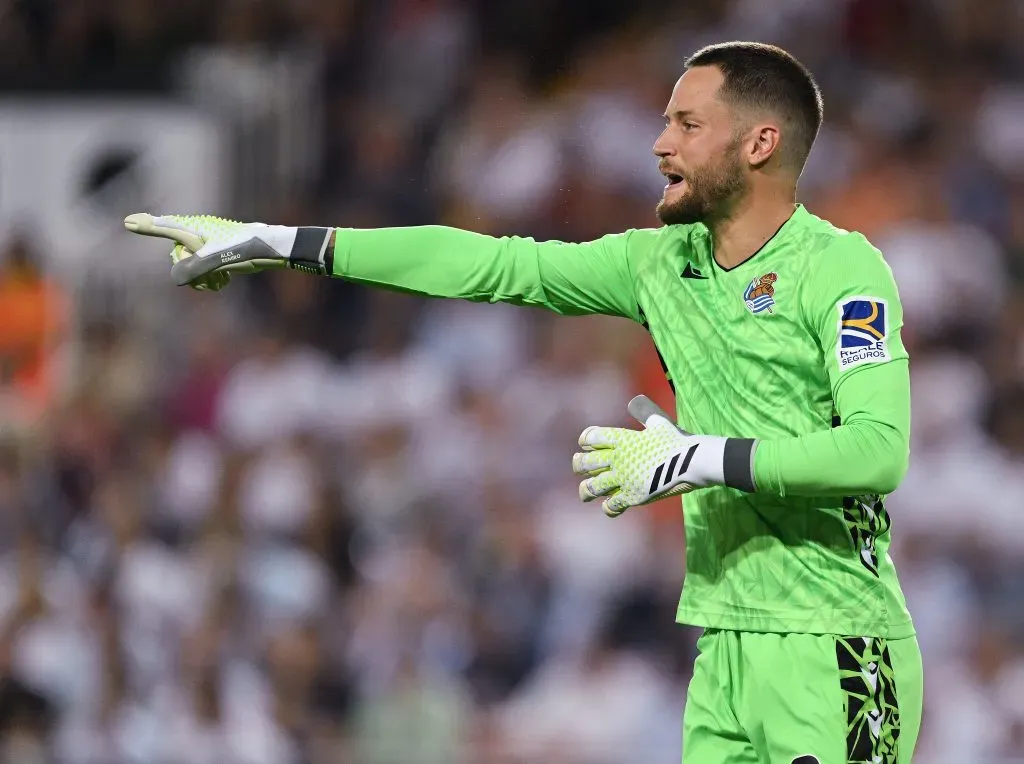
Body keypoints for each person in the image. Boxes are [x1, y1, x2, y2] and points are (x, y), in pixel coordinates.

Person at [125, 41, 921, 764]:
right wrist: (275, 241)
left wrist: (697, 457)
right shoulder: (658, 264)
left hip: (835, 639)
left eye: (686, 123)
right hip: (724, 646)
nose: (660, 144)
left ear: (759, 144)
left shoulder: (841, 271)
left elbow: (877, 451)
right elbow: (482, 262)